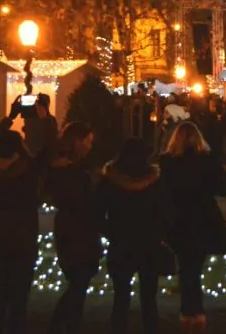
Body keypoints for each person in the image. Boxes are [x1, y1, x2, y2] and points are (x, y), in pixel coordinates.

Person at [160, 122, 226, 333]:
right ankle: (195, 310)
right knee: (194, 264)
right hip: (202, 219)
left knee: (186, 264)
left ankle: (189, 309)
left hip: (177, 220)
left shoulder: (167, 162)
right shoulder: (206, 160)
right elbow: (225, 188)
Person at [100, 137, 175, 334]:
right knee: (149, 298)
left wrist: (111, 232)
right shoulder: (154, 181)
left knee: (121, 298)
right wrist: (159, 233)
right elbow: (166, 211)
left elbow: (97, 211)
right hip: (148, 245)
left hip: (120, 244)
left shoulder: (110, 180)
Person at [0, 121, 47, 334]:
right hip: (22, 237)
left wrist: (7, 120)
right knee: (19, 299)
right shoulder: (27, 170)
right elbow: (46, 153)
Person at [45, 122, 101, 334]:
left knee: (79, 282)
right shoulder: (72, 171)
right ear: (78, 142)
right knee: (79, 283)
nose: (90, 146)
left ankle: (67, 325)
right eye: (88, 141)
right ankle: (60, 325)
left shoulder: (62, 168)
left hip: (72, 228)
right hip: (79, 230)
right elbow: (80, 202)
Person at [20, 94, 60, 159]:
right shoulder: (31, 119)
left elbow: (52, 136)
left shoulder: (49, 120)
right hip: (33, 153)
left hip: (41, 154)